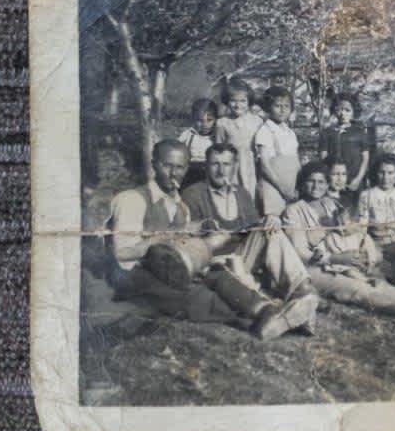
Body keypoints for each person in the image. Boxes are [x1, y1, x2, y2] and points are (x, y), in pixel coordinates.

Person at [107, 139, 318, 339]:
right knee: (202, 295)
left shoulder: (178, 204)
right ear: (154, 164)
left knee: (216, 280)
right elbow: (121, 253)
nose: (174, 173)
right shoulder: (133, 199)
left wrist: (194, 230)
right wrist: (166, 239)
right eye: (167, 166)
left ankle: (274, 310)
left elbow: (185, 242)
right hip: (138, 274)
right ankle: (270, 315)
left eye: (180, 167)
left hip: (177, 268)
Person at [282, 162, 395, 321]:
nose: (316, 186)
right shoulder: (293, 210)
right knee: (356, 289)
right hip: (315, 269)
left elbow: (350, 234)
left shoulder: (331, 204)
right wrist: (337, 258)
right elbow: (301, 254)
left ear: (327, 184)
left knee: (375, 281)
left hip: (344, 262)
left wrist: (357, 251)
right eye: (310, 181)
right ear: (302, 183)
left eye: (321, 182)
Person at [355, 153, 395, 283]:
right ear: (376, 173)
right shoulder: (366, 196)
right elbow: (361, 232)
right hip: (377, 249)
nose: (386, 178)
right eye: (382, 172)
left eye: (390, 173)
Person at [181, 143, 259, 235]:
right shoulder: (192, 194)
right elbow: (187, 236)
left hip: (244, 247)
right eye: (215, 164)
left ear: (235, 166)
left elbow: (254, 228)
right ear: (206, 166)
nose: (221, 171)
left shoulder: (243, 194)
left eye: (226, 164)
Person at [253, 86, 301, 216]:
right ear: (268, 107)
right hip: (273, 185)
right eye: (277, 106)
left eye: (286, 106)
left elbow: (296, 160)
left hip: (291, 184)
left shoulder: (290, 132)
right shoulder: (265, 131)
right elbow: (264, 166)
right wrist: (282, 188)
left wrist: (298, 185)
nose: (282, 110)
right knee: (273, 220)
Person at [213, 76, 263, 199]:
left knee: (252, 194)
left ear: (249, 101)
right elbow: (218, 148)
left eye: (242, 101)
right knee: (233, 195)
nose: (237, 105)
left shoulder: (257, 121)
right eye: (233, 101)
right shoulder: (222, 123)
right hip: (232, 166)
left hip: (251, 165)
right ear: (227, 101)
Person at [318, 92, 370, 191]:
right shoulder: (327, 132)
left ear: (353, 111)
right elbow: (323, 158)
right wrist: (330, 181)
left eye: (347, 110)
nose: (343, 114)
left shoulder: (360, 132)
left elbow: (365, 159)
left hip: (355, 181)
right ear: (334, 110)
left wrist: (358, 179)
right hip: (334, 182)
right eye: (339, 110)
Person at [177, 98, 217, 189]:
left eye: (209, 120)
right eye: (200, 120)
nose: (204, 124)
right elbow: (177, 148)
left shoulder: (215, 137)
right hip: (190, 170)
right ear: (193, 119)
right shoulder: (188, 134)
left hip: (208, 171)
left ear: (215, 120)